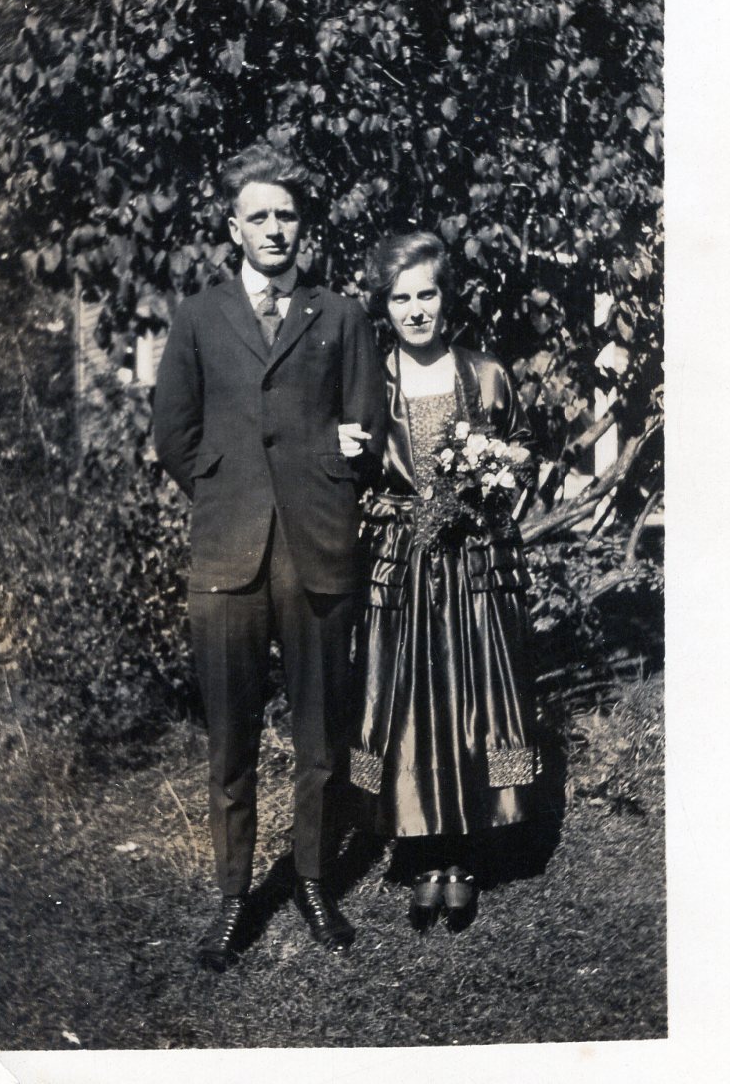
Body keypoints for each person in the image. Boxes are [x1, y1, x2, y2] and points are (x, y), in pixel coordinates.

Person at [154, 142, 385, 970]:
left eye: (286, 214)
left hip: (318, 547)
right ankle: (233, 896)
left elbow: (367, 431)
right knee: (231, 737)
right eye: (258, 216)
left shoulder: (340, 315)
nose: (274, 228)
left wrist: (325, 473)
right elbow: (173, 434)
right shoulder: (197, 316)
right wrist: (229, 490)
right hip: (227, 552)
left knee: (320, 735)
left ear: (302, 225)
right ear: (233, 229)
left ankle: (315, 880)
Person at [348, 231, 540, 930]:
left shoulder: (486, 375)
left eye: (426, 293)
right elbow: (354, 475)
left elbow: (523, 450)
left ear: (445, 296)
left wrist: (493, 479)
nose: (416, 309)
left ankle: (464, 855)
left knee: (470, 694)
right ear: (384, 306)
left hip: (472, 562)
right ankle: (423, 851)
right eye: (401, 298)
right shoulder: (369, 382)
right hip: (403, 564)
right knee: (409, 701)